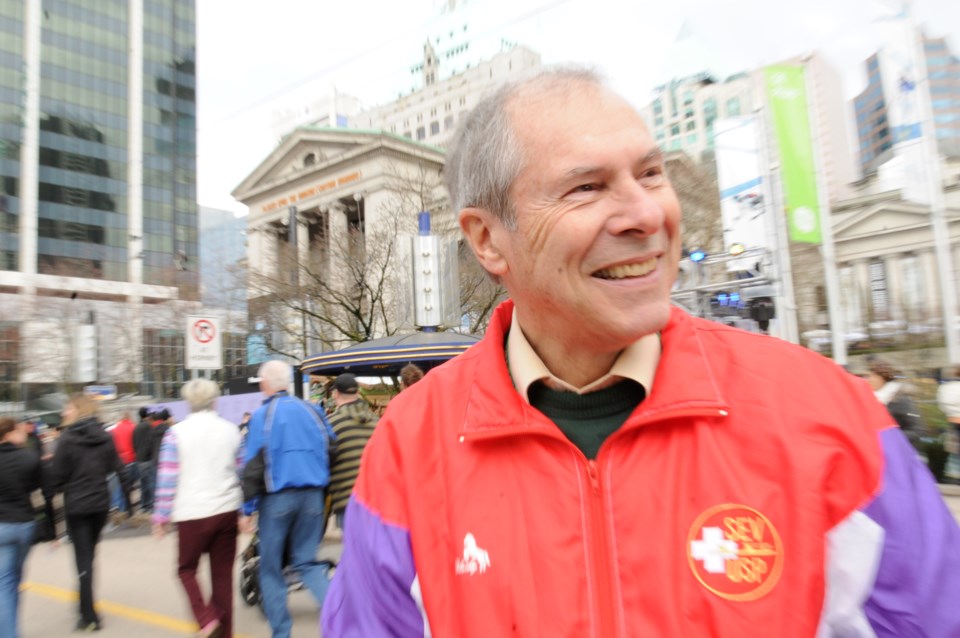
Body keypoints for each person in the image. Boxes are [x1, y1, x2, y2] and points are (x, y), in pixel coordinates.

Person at [321, 68, 960, 637]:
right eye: (587, 188)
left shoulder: (825, 413)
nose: (646, 213)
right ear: (488, 240)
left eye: (650, 174)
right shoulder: (410, 447)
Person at [242, 360, 337, 638]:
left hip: (278, 500)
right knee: (307, 563)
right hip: (313, 498)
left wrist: (247, 509)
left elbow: (253, 465)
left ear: (265, 385)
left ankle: (281, 633)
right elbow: (332, 449)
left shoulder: (263, 415)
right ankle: (343, 623)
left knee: (270, 570)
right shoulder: (313, 410)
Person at [152, 379, 244, 638]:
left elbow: (168, 478)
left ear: (188, 403)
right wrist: (246, 510)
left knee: (186, 569)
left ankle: (206, 618)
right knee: (222, 578)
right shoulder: (231, 430)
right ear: (215, 400)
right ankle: (225, 633)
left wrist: (161, 515)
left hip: (191, 512)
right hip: (226, 509)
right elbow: (242, 470)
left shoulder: (175, 433)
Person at [50, 393, 125, 632]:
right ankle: (85, 608)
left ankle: (89, 615)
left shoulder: (67, 439)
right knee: (89, 556)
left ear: (78, 410)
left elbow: (58, 476)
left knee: (83, 559)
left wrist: (54, 489)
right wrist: (131, 507)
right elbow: (119, 468)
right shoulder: (105, 436)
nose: (64, 413)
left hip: (78, 506)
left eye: (67, 408)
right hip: (99, 505)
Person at [0, 417, 42, 638]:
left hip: (1, 526)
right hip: (25, 523)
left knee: (4, 583)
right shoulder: (29, 457)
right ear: (8, 434)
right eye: (18, 431)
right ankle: (11, 627)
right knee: (14, 580)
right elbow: (36, 485)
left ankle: (9, 632)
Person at [327, 373, 378, 532]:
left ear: (335, 394)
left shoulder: (331, 424)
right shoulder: (377, 421)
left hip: (347, 498)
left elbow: (326, 460)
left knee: (355, 552)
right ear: (357, 393)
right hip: (376, 498)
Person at [864, 359, 921, 434]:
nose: (868, 380)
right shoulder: (869, 399)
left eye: (872, 376)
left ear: (882, 377)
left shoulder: (901, 400)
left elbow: (918, 430)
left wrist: (892, 437)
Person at [106, 411, 138, 519]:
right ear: (129, 417)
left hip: (120, 462)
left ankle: (121, 509)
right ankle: (128, 510)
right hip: (133, 460)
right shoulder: (134, 427)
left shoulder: (113, 430)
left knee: (119, 487)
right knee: (129, 486)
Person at [132, 407, 156, 513]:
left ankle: (143, 505)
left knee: (143, 484)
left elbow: (134, 443)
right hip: (148, 459)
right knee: (151, 482)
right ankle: (151, 505)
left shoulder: (136, 427)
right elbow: (151, 442)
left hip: (139, 459)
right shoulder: (149, 426)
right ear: (147, 415)